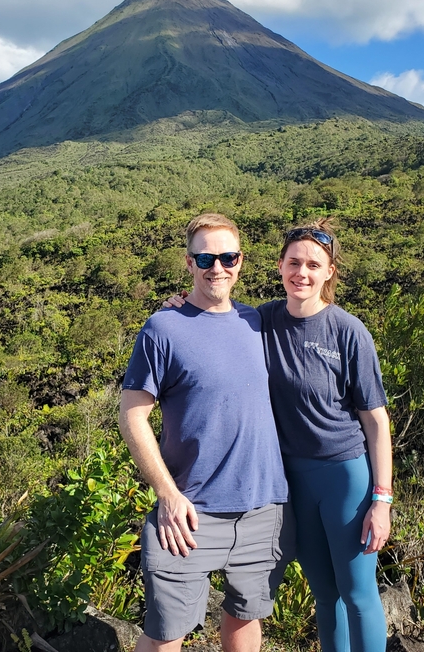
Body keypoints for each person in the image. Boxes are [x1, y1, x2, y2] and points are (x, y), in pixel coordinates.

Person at [167, 218, 392, 652]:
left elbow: (376, 421)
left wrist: (381, 500)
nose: (301, 273)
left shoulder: (348, 332)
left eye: (313, 264)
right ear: (279, 266)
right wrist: (178, 305)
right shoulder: (262, 320)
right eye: (294, 262)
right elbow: (215, 317)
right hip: (291, 482)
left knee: (358, 594)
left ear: (329, 272)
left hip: (344, 476)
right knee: (324, 594)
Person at [119, 212, 294, 652]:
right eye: (205, 258)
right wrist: (166, 493)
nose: (217, 267)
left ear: (241, 261)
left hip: (264, 508)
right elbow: (132, 415)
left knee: (245, 618)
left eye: (227, 257)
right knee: (165, 632)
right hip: (187, 514)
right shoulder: (163, 327)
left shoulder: (261, 322)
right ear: (189, 262)